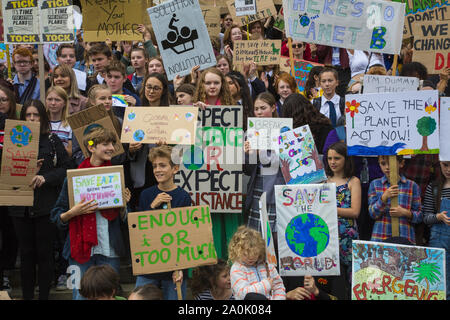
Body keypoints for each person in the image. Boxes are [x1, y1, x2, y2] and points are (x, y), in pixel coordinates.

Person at [50, 127, 129, 300]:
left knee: (108, 296)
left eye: (113, 144)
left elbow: (126, 220)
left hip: (110, 249)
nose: (111, 148)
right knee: (80, 296)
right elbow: (57, 214)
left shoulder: (116, 176)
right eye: (105, 144)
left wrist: (124, 205)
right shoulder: (73, 178)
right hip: (79, 249)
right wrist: (73, 212)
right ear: (91, 147)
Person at [9, 99, 71, 300]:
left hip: (45, 205)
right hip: (20, 206)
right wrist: (24, 172)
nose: (32, 118)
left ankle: (44, 296)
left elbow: (66, 168)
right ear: (22, 117)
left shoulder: (52, 140)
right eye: (28, 115)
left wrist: (46, 177)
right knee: (26, 254)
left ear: (43, 118)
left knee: (44, 254)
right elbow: (6, 173)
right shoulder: (14, 140)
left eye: (36, 115)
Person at [134, 145, 190, 300]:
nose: (157, 170)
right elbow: (139, 230)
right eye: (154, 166)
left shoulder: (183, 197)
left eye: (163, 165)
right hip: (149, 265)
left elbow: (185, 235)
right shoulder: (146, 194)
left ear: (175, 169)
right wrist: (153, 206)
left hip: (174, 267)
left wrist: (180, 269)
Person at [244, 92, 283, 241]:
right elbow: (247, 170)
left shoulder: (285, 131)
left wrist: (261, 152)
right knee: (256, 237)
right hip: (258, 188)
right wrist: (248, 154)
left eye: (263, 108)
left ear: (273, 107)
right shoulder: (250, 133)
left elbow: (283, 164)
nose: (259, 112)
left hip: (277, 188)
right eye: (256, 109)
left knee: (275, 237)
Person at [324, 142, 361, 289]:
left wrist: (329, 208)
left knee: (350, 279)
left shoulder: (353, 181)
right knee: (330, 280)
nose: (332, 162)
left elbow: (354, 212)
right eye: (329, 158)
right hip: (327, 235)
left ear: (346, 159)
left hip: (347, 237)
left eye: (337, 158)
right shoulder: (323, 180)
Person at [368, 155, 422, 244]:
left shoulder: (412, 186)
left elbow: (419, 216)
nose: (387, 167)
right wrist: (384, 198)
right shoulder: (375, 184)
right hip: (380, 237)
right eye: (383, 164)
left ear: (401, 163)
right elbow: (372, 213)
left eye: (391, 163)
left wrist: (405, 212)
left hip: (405, 238)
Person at [228, 226, 286, 300]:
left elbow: (278, 286)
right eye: (245, 254)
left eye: (255, 253)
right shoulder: (237, 269)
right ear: (237, 251)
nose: (251, 258)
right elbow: (243, 293)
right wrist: (265, 285)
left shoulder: (267, 265)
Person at [422, 161, 450, 299]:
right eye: (445, 165)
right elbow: (425, 218)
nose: (448, 169)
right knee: (440, 283)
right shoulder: (433, 188)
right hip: (439, 241)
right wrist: (438, 217)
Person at [0, 87, 18, 293]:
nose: (1, 103)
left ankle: (6, 270)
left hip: (13, 187)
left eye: (4, 99)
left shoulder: (19, 127)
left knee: (10, 230)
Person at [45, 86, 73, 157]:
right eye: (50, 99)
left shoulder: (70, 125)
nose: (53, 103)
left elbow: (70, 153)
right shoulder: (42, 123)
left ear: (64, 103)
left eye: (57, 100)